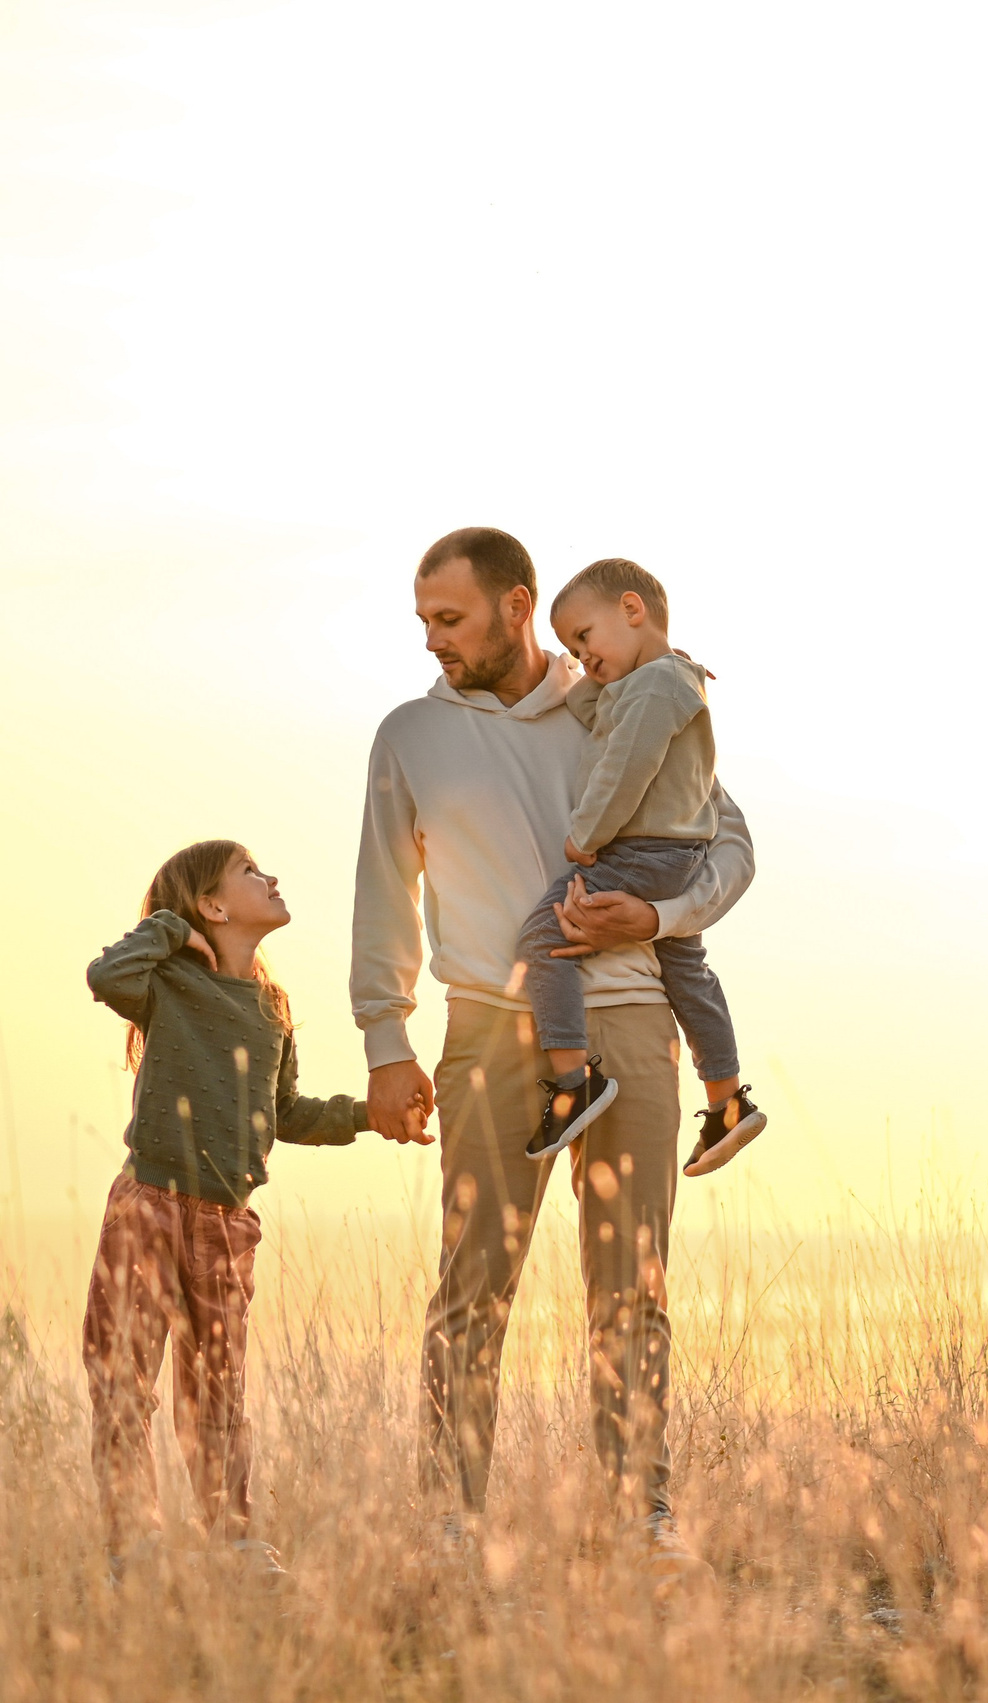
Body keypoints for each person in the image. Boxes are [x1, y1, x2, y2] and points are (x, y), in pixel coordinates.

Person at [351, 526, 755, 1585]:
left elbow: (732, 842)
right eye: (424, 620)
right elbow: (383, 892)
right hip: (487, 1025)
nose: (433, 640)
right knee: (472, 1282)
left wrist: (661, 911)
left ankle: (637, 1513)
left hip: (630, 1017)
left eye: (452, 618)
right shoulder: (409, 735)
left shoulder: (619, 702)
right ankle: (449, 1522)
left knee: (635, 1282)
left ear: (516, 604)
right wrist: (384, 1039)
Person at [81, 839, 383, 1583]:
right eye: (250, 872)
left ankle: (233, 1540)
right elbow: (104, 973)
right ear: (212, 906)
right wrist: (168, 930)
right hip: (148, 1203)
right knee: (123, 1379)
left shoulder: (272, 1008)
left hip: (226, 1222)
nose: (271, 876)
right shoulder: (167, 981)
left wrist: (371, 1114)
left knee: (218, 1388)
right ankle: (136, 1547)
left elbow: (289, 1112)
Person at [515, 556, 767, 1177]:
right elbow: (590, 711)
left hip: (640, 852)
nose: (581, 653)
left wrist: (585, 836)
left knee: (543, 935)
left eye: (584, 636)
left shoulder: (657, 686)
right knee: (685, 964)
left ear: (632, 610)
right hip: (678, 856)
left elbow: (625, 769)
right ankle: (726, 1100)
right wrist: (573, 672)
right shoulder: (650, 683)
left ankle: (575, 1084)